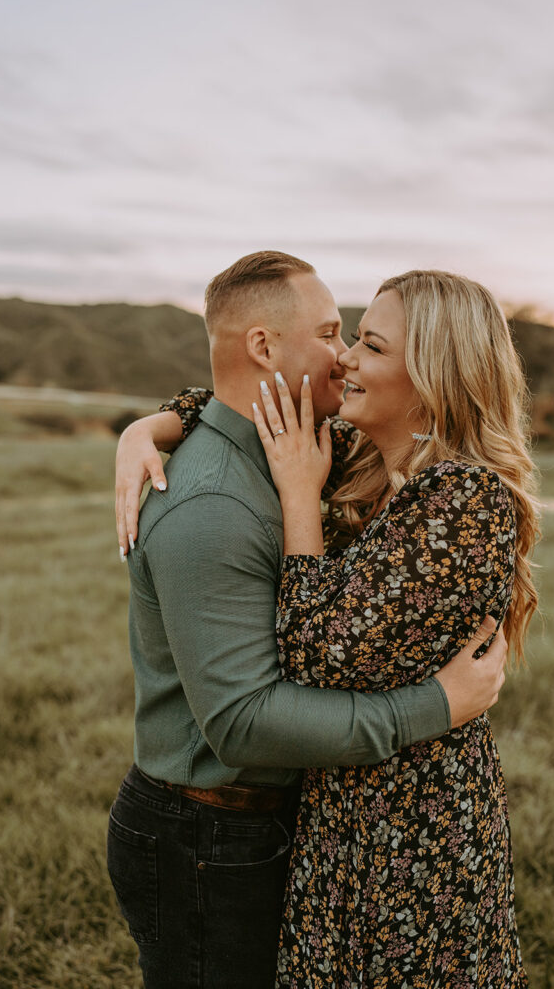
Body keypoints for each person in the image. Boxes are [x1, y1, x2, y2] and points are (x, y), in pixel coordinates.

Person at [108, 251, 509, 989]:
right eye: (334, 334)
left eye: (364, 342)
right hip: (213, 828)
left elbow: (321, 649)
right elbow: (249, 716)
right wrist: (150, 425)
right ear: (264, 347)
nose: (344, 356)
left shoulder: (383, 471)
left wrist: (166, 424)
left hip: (365, 826)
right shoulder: (225, 500)